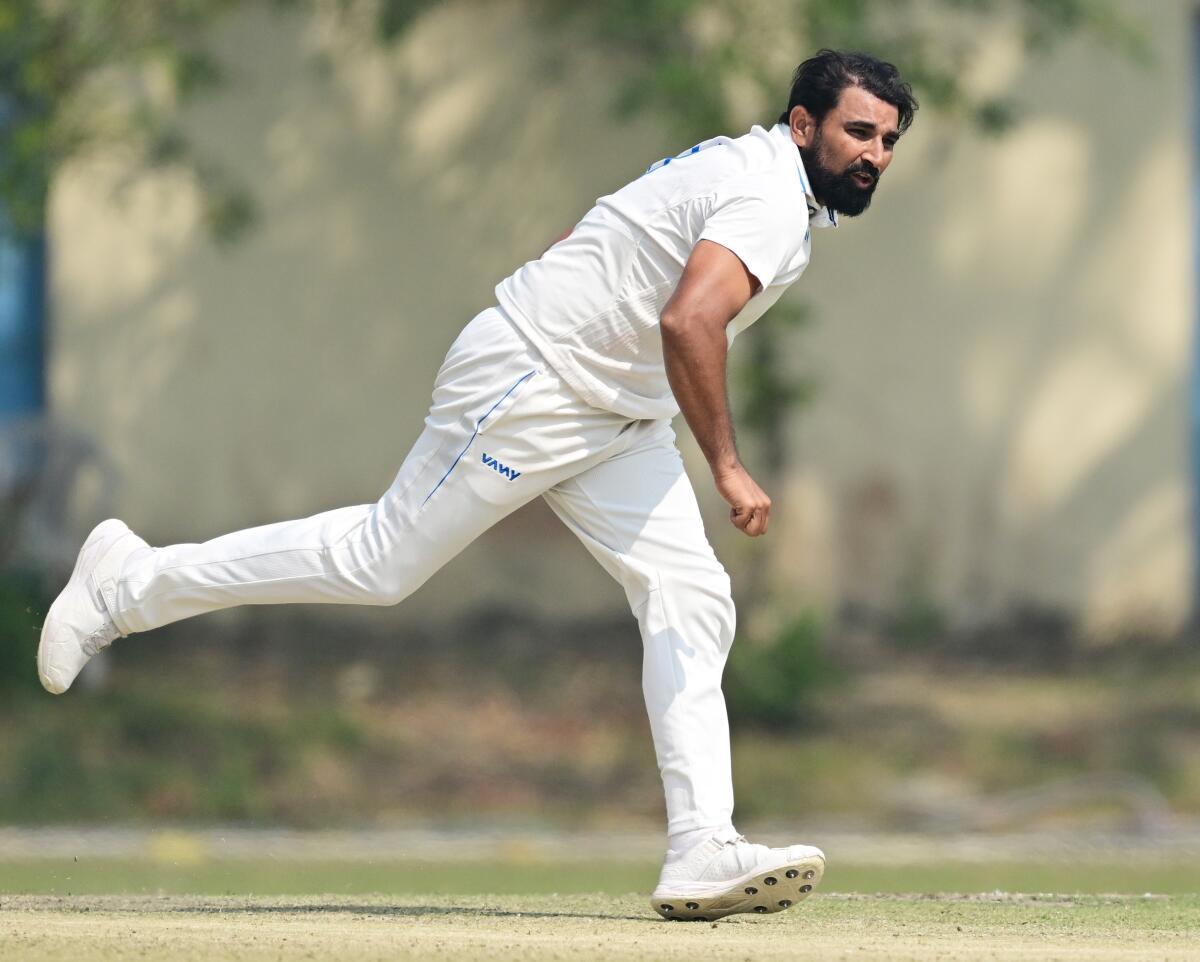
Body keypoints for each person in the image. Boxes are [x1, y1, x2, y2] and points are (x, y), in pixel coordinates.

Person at [38, 49, 916, 921]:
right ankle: (128, 584)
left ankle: (701, 848)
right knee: (377, 565)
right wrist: (725, 462)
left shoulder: (749, 170)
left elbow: (603, 232)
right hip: (534, 384)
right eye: (857, 132)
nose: (874, 153)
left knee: (690, 594)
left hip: (614, 409)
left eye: (887, 139)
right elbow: (689, 318)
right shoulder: (768, 196)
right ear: (803, 125)